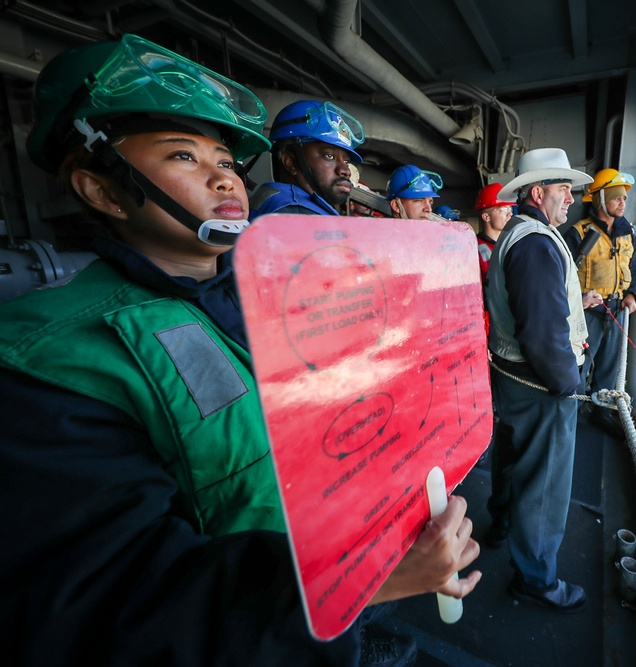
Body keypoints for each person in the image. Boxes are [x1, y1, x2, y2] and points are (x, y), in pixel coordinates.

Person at [0, 35, 480, 666]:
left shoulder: (268, 298)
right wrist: (367, 578)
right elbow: (109, 610)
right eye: (183, 155)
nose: (223, 174)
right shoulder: (52, 357)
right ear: (101, 190)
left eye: (226, 158)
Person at [484, 148, 592, 613]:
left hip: (512, 379)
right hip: (539, 388)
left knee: (512, 466)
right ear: (537, 192)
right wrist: (568, 385)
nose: (572, 197)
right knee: (544, 487)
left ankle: (503, 528)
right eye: (563, 188)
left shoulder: (523, 234)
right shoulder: (535, 243)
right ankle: (537, 580)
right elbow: (544, 335)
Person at [562, 169, 636, 433]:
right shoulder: (578, 233)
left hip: (616, 309)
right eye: (616, 197)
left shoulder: (627, 233)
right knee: (578, 365)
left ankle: (600, 411)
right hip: (588, 311)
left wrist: (633, 294)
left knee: (609, 368)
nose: (623, 202)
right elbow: (562, 276)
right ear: (601, 199)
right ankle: (569, 414)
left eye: (624, 198)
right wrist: (580, 300)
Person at [250, 99, 364, 217]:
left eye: (346, 161)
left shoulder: (277, 200)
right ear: (290, 162)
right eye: (329, 156)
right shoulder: (297, 212)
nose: (346, 171)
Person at [474, 182, 515, 283]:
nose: (509, 213)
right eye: (503, 210)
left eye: (510, 208)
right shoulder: (473, 249)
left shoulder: (512, 244)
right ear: (486, 217)